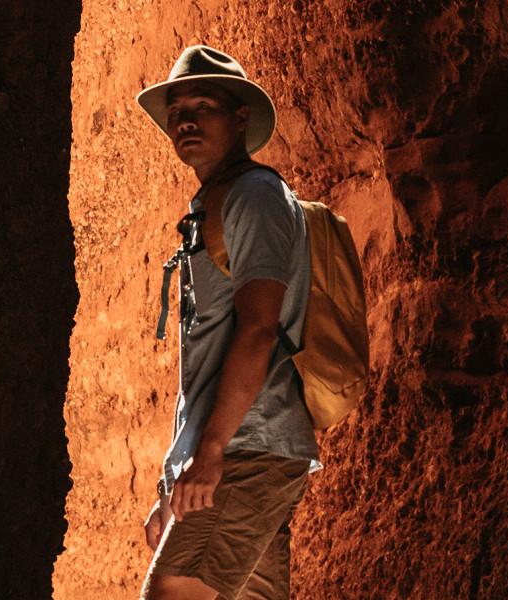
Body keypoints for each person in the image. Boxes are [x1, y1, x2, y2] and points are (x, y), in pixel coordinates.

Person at [135, 45, 319, 600]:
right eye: (176, 110)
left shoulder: (255, 197)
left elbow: (259, 329)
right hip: (248, 447)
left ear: (241, 117)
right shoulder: (212, 203)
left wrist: (211, 451)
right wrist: (178, 471)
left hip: (247, 445)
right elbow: (210, 350)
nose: (185, 119)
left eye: (203, 104)